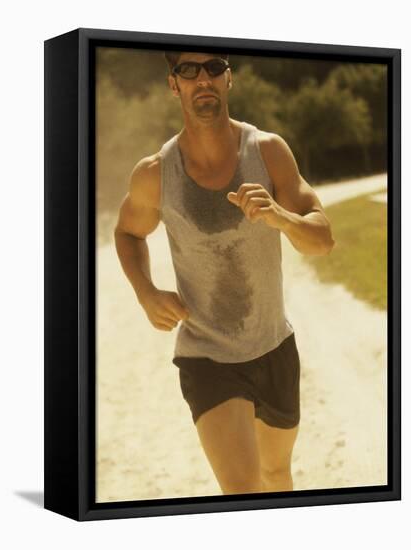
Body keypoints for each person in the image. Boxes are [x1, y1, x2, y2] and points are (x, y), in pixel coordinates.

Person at [114, 51, 335, 496]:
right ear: (173, 84)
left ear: (229, 78)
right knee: (242, 490)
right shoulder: (156, 173)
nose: (203, 80)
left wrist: (281, 218)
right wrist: (145, 291)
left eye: (214, 68)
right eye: (188, 71)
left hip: (273, 345)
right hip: (207, 355)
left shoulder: (268, 152)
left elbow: (323, 239)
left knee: (276, 478)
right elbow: (127, 232)